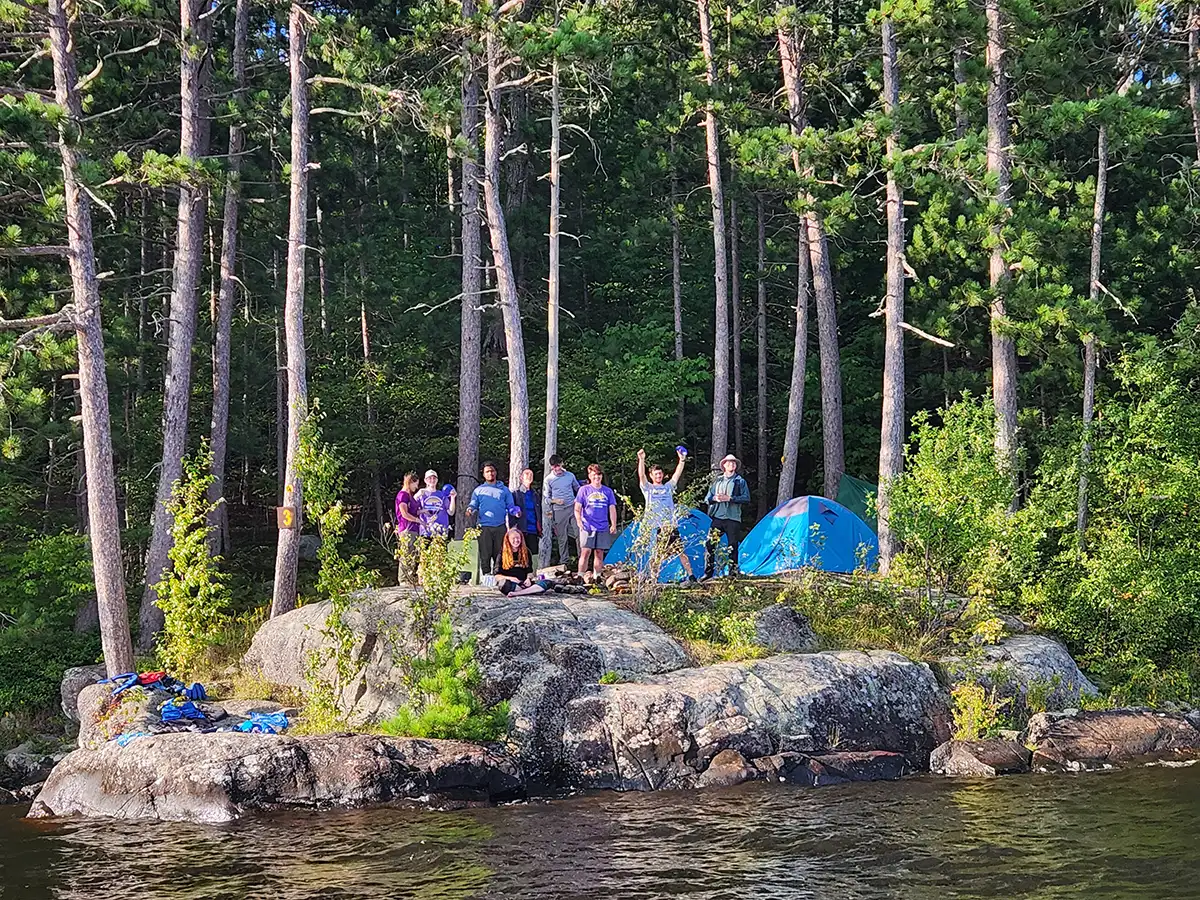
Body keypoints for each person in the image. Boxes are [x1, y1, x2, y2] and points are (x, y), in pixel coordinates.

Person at [637, 447, 694, 582]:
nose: (658, 476)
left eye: (660, 474)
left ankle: (691, 576)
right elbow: (641, 476)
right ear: (651, 475)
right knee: (655, 553)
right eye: (655, 474)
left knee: (680, 551)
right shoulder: (648, 488)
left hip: (669, 526)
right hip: (654, 527)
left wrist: (682, 460)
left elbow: (677, 475)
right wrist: (641, 459)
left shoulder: (668, 487)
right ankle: (653, 578)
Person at [466, 461, 517, 579]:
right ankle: (486, 577)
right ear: (483, 474)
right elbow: (473, 504)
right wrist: (470, 509)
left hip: (500, 526)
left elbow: (510, 506)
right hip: (484, 527)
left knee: (500, 553)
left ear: (496, 472)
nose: (490, 473)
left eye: (492, 471)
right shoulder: (478, 490)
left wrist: (515, 511)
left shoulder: (504, 490)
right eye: (487, 471)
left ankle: (499, 576)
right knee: (485, 553)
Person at [704, 453, 751, 578]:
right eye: (729, 462)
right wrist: (715, 498)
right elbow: (707, 499)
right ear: (724, 465)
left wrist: (730, 498)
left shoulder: (740, 481)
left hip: (732, 518)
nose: (731, 464)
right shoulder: (717, 480)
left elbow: (746, 498)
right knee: (710, 544)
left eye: (734, 463)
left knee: (733, 546)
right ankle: (708, 573)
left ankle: (733, 573)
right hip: (718, 517)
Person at [574, 463, 618, 577]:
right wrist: (579, 521)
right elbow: (577, 508)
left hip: (602, 526)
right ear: (589, 476)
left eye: (599, 475)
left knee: (599, 552)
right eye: (594, 475)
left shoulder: (608, 491)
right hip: (587, 526)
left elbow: (612, 508)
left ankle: (597, 577)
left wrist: (613, 524)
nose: (596, 477)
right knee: (585, 551)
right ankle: (580, 576)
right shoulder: (583, 490)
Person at [542, 455, 581, 566]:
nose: (557, 469)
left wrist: (578, 501)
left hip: (572, 508)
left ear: (562, 463)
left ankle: (582, 558)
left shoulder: (570, 475)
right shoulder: (549, 479)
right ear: (551, 467)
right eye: (555, 467)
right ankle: (565, 561)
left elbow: (577, 488)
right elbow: (546, 499)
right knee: (562, 537)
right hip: (558, 510)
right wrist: (555, 501)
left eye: (559, 466)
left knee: (579, 533)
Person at [394, 472, 422, 584]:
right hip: (407, 528)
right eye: (416, 484)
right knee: (406, 553)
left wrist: (423, 512)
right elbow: (404, 513)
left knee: (413, 553)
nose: (416, 487)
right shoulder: (403, 495)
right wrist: (417, 520)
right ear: (410, 482)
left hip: (413, 529)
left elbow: (413, 511)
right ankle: (404, 579)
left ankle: (410, 577)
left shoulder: (409, 496)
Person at [495, 528, 538, 595]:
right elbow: (497, 576)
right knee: (503, 585)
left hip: (524, 582)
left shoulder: (527, 552)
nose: (516, 540)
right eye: (513, 538)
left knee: (546, 582)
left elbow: (530, 572)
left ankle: (521, 591)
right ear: (508, 540)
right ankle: (527, 591)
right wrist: (511, 579)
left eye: (518, 538)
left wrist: (528, 579)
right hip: (510, 583)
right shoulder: (502, 553)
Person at [415, 469, 456, 538]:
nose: (432, 480)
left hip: (441, 531)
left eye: (434, 478)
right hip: (425, 531)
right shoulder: (421, 494)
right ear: (425, 480)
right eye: (429, 478)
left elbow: (451, 512)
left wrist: (452, 498)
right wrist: (416, 496)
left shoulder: (442, 495)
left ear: (437, 480)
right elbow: (411, 510)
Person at [512, 467, 542, 555]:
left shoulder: (535, 495)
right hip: (520, 529)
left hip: (533, 530)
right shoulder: (516, 494)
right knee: (521, 554)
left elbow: (539, 512)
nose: (529, 476)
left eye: (531, 474)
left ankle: (534, 569)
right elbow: (511, 511)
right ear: (521, 477)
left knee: (533, 554)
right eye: (527, 474)